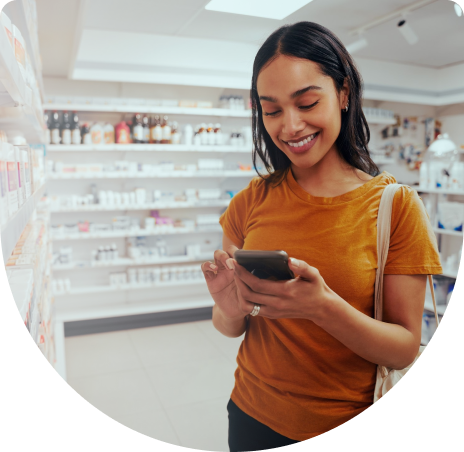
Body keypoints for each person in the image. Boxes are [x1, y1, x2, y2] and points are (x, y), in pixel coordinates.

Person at [201, 21, 442, 450]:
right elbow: (228, 327)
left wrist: (323, 307)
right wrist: (230, 305)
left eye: (307, 102)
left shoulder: (396, 206)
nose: (290, 127)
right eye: (271, 110)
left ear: (344, 93)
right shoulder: (249, 201)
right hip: (250, 412)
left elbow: (405, 348)